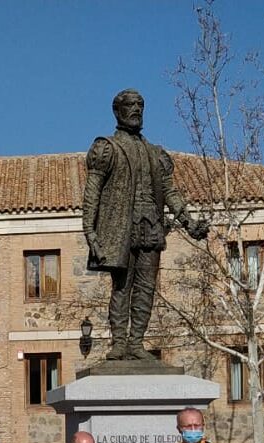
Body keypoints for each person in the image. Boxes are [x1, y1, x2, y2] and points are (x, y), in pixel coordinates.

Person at [82, 88, 209, 361]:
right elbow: (92, 191)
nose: (136, 109)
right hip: (120, 228)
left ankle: (136, 341)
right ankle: (119, 342)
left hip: (150, 226)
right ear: (118, 111)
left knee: (146, 286)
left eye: (140, 105)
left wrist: (188, 222)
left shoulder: (156, 153)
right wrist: (90, 232)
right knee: (122, 286)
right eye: (130, 105)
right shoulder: (106, 147)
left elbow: (169, 191)